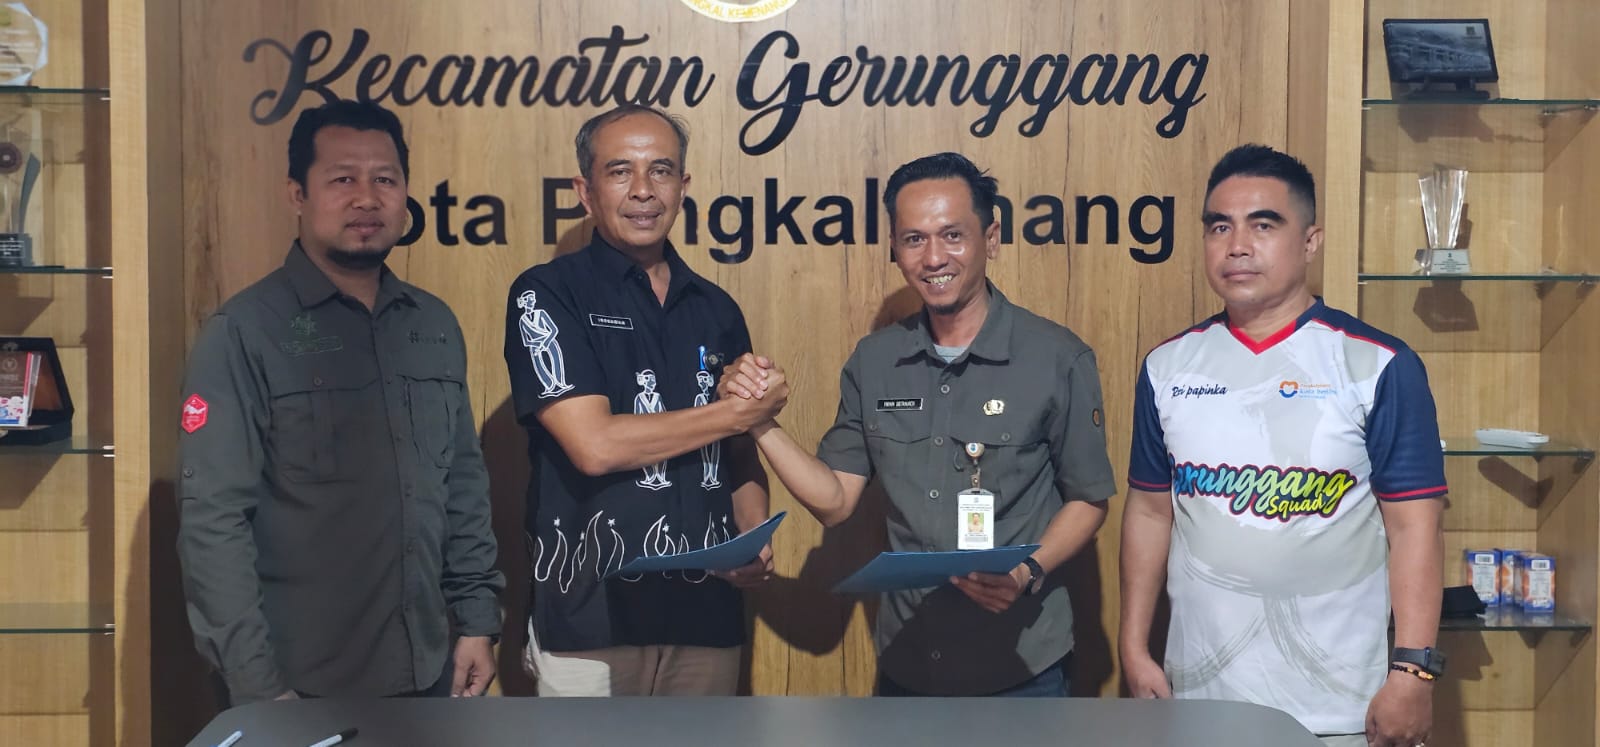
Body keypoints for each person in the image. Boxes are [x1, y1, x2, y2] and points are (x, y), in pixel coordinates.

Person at [720, 152, 1116, 697]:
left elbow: (1089, 498)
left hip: (1022, 667)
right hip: (908, 664)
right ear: (895, 247)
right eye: (913, 239)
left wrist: (1027, 571)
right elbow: (834, 501)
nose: (933, 258)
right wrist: (759, 423)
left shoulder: (1057, 357)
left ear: (991, 238)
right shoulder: (875, 361)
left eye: (952, 235)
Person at [176, 99, 505, 704]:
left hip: (430, 670)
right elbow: (214, 522)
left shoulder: (431, 324)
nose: (367, 198)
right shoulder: (244, 331)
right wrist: (257, 686)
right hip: (298, 686)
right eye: (342, 180)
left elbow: (462, 484)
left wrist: (478, 620)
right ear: (297, 195)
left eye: (385, 179)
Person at [1118, 144, 1445, 747]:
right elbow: (1149, 511)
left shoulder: (1377, 363)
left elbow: (1414, 527)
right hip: (1201, 702)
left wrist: (1413, 670)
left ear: (1310, 240)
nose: (1237, 245)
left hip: (1340, 709)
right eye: (1220, 227)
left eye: (1263, 225)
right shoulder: (1167, 367)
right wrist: (1134, 647)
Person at [503, 104, 783, 696]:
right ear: (585, 191)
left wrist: (752, 533)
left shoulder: (716, 308)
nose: (642, 190)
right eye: (619, 171)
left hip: (706, 613)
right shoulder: (548, 293)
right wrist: (736, 412)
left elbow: (739, 454)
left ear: (683, 186)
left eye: (661, 170)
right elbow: (595, 446)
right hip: (589, 618)